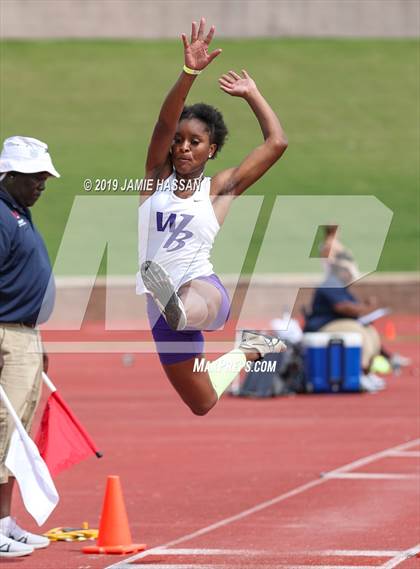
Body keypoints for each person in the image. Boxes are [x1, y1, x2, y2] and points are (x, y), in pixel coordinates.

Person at [136, 18, 288, 415]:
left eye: (195, 142)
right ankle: (249, 350)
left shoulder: (218, 189)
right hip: (160, 307)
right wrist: (189, 73)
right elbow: (163, 123)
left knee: (187, 302)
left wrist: (253, 94)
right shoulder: (155, 180)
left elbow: (277, 143)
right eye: (179, 141)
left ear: (212, 150)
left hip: (203, 290)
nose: (184, 147)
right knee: (202, 401)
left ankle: (179, 306)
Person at [0, 136, 59, 558]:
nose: (42, 183)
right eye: (35, 176)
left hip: (23, 334)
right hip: (6, 336)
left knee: (15, 437)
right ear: (11, 175)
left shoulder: (18, 210)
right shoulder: (2, 216)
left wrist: (35, 339)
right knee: (2, 434)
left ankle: (4, 521)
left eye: (45, 176)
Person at [304, 251, 386, 391]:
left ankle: (367, 372)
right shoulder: (330, 284)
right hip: (324, 325)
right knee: (360, 333)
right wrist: (365, 308)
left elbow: (353, 305)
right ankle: (358, 374)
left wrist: (363, 307)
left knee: (371, 332)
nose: (350, 275)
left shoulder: (341, 286)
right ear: (341, 271)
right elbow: (342, 307)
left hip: (338, 322)